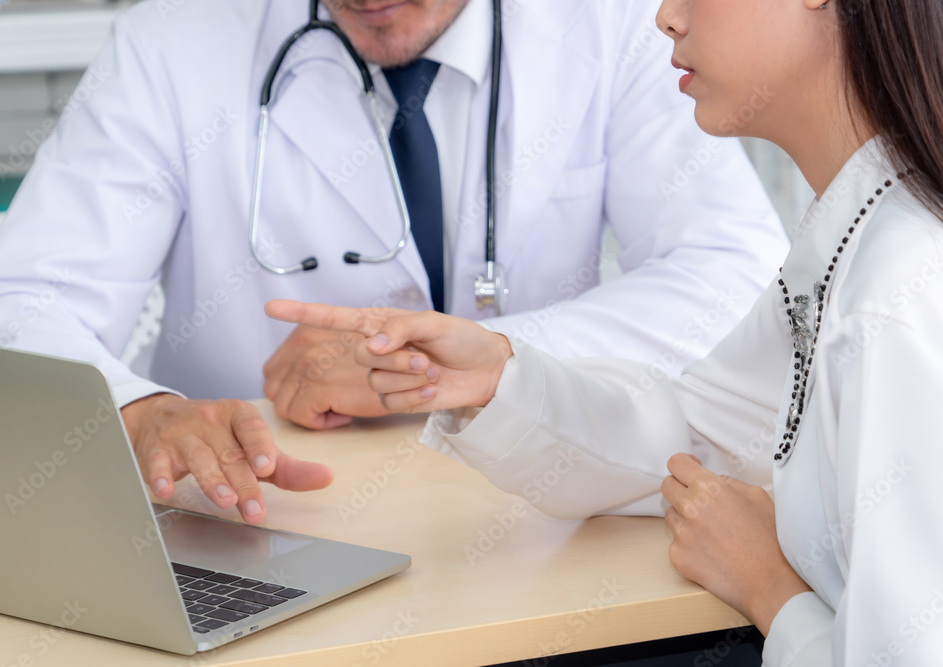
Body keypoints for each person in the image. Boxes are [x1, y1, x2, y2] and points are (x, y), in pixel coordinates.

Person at [266, 0, 943, 662]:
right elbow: (700, 435)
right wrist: (496, 379)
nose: (666, 17)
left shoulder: (891, 298)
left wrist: (772, 591)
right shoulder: (853, 237)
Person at [0, 0, 787, 526]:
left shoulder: (613, 25)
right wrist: (139, 411)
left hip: (539, 515)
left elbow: (738, 272)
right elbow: (10, 309)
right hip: (263, 525)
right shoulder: (170, 42)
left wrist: (444, 361)